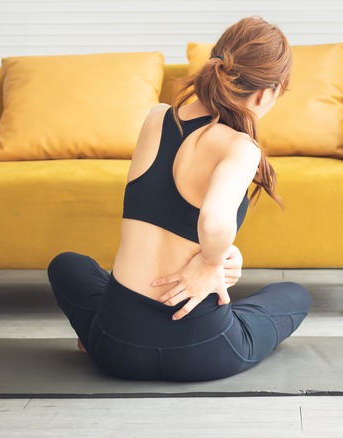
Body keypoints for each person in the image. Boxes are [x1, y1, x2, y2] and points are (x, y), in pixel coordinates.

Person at [47, 16, 311, 382]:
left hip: (116, 348)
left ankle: (97, 331)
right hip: (203, 352)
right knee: (293, 295)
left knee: (66, 265)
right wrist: (210, 261)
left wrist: (214, 257)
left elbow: (164, 211)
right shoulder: (240, 147)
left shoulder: (157, 118)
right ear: (267, 93)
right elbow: (214, 223)